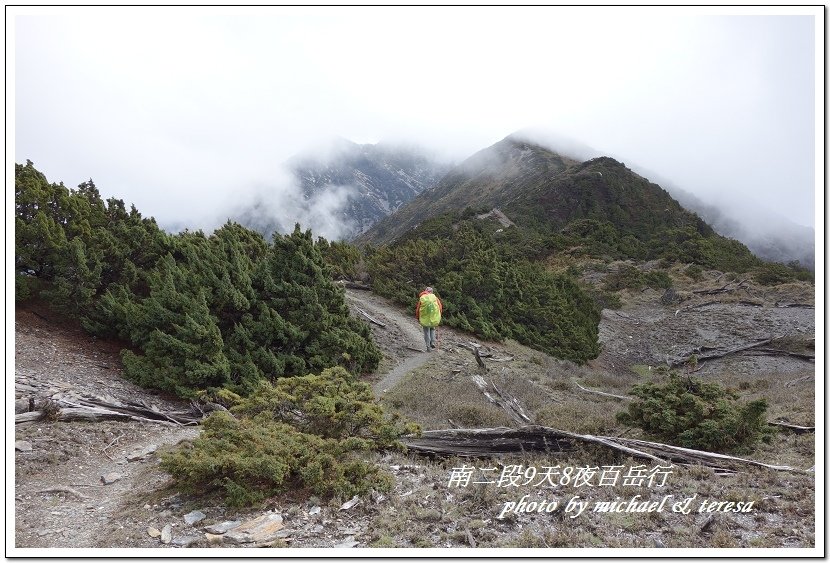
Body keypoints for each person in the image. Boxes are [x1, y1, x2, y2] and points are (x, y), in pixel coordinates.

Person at [415, 286, 443, 352]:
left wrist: (418, 318)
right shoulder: (435, 298)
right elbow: (440, 307)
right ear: (432, 292)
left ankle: (428, 347)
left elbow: (418, 309)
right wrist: (438, 316)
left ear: (425, 291)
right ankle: (432, 343)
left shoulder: (422, 298)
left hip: (425, 319)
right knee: (432, 329)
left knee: (426, 332)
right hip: (433, 318)